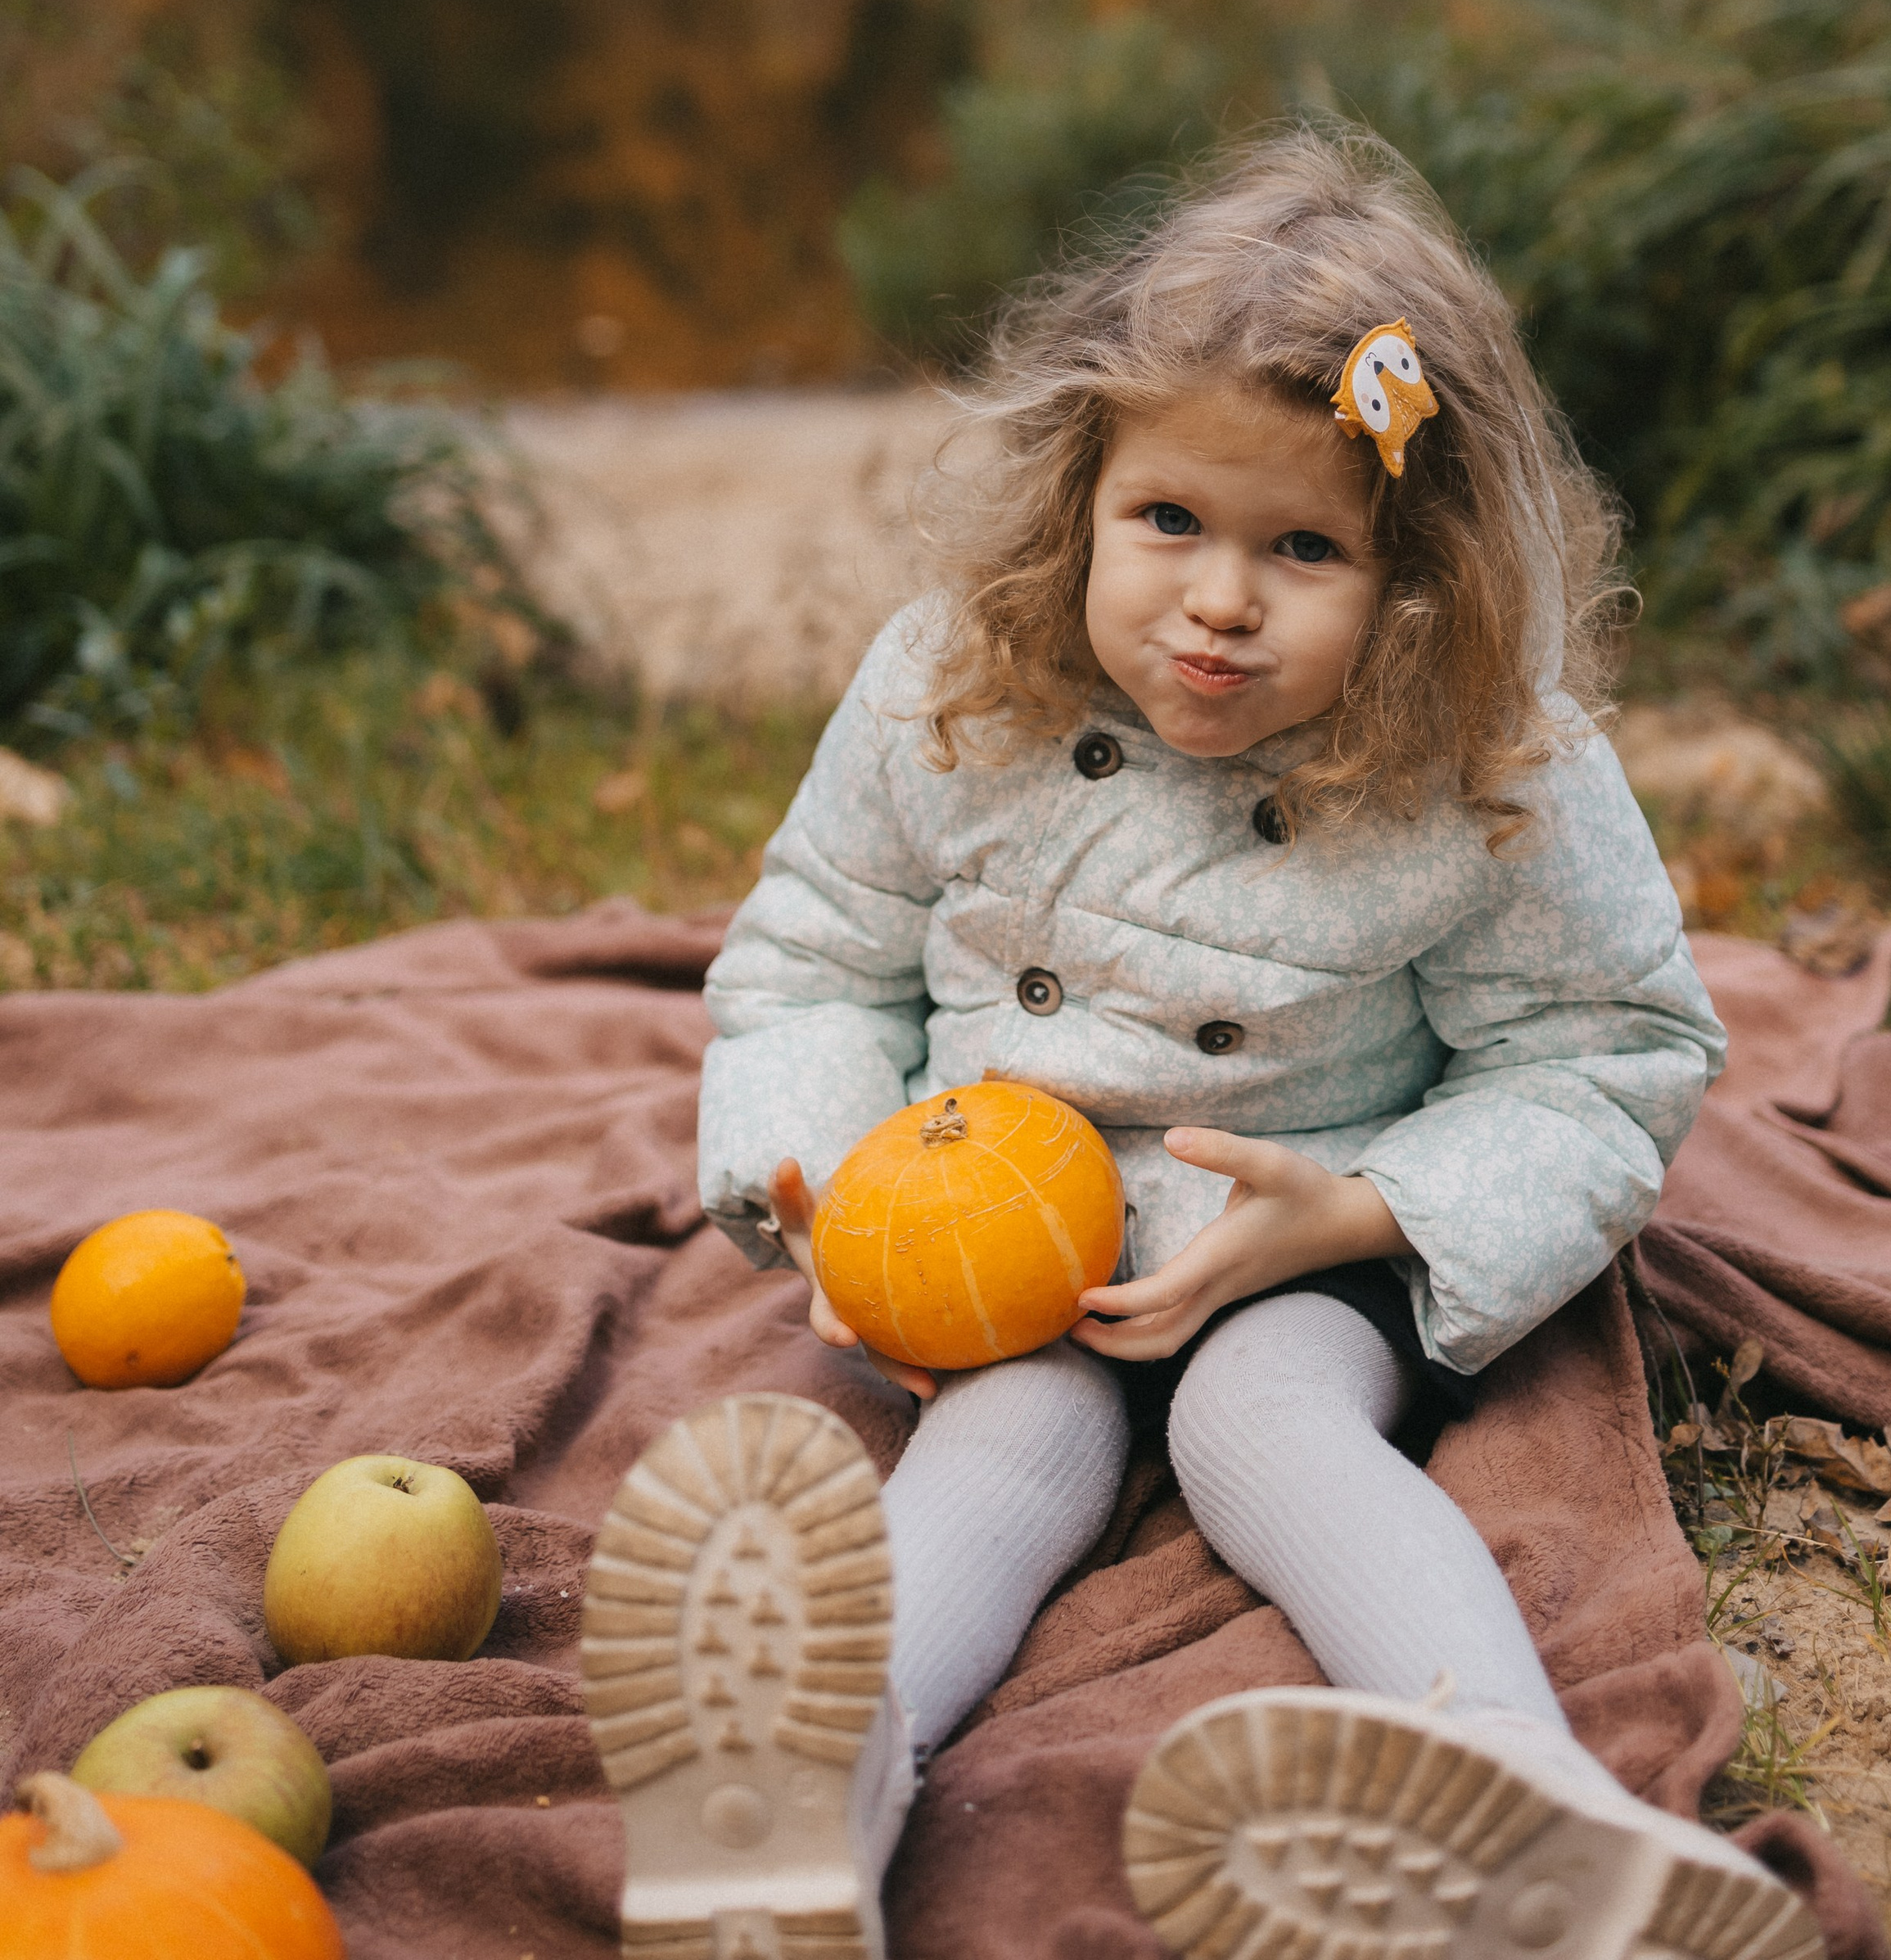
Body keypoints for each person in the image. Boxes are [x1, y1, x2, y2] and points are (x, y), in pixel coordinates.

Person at [589, 129, 1820, 1960]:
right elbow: (815, 957)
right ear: (1078, 493)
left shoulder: (1488, 770)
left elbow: (1604, 1047)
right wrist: (838, 1189)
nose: (1218, 600)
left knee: (1270, 1427)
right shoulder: (959, 684)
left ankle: (1519, 1806)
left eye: (1303, 547)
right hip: (1006, 1238)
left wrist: (1351, 1215)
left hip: (1296, 1225)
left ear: (1420, 580)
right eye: (1166, 520)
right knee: (996, 1443)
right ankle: (796, 1811)